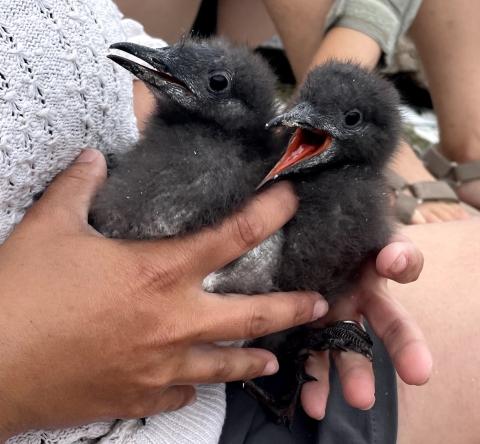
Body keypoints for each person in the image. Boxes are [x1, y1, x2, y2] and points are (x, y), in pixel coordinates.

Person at [0, 1, 431, 443]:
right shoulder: (211, 159)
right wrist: (13, 379)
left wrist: (337, 263)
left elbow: (117, 42)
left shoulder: (278, 165)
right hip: (122, 409)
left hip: (263, 341)